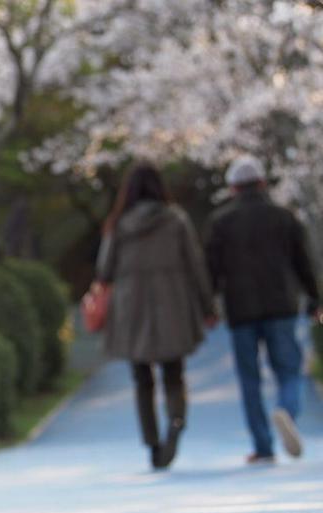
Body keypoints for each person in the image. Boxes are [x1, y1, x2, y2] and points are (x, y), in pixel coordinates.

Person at [97, 162, 216, 470]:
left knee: (142, 379)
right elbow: (195, 264)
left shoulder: (120, 224)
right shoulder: (176, 220)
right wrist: (207, 306)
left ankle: (151, 444)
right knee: (174, 373)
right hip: (172, 303)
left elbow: (104, 270)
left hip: (131, 307)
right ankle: (175, 423)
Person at [205, 154, 320, 464]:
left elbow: (211, 270)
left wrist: (208, 307)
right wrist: (314, 298)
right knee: (288, 369)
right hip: (281, 304)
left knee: (249, 378)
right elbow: (303, 263)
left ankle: (263, 445)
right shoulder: (284, 217)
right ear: (263, 184)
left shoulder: (221, 222)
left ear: (232, 189)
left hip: (240, 309)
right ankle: (288, 410)